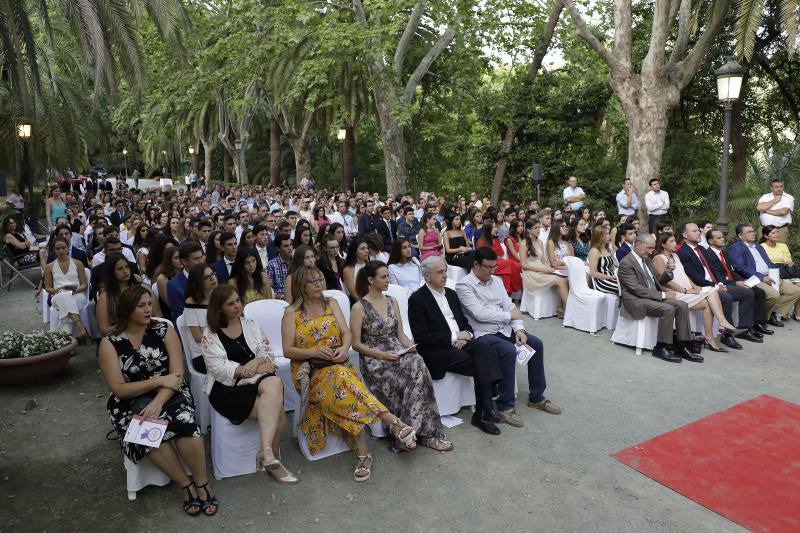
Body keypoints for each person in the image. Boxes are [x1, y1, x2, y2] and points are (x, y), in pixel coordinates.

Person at [281, 266, 417, 479]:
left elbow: (346, 333)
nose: (319, 284)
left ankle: (365, 453)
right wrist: (314, 351)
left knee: (343, 383)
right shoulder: (292, 313)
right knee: (343, 379)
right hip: (311, 371)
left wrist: (344, 350)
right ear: (301, 286)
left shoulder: (331, 303)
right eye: (313, 281)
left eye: (320, 279)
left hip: (339, 364)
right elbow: (287, 350)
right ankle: (393, 421)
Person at [98, 287, 215, 516]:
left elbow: (178, 374)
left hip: (170, 393)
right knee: (146, 433)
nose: (148, 310)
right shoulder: (109, 343)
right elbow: (119, 389)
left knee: (185, 425)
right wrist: (159, 381)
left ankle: (202, 482)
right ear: (126, 310)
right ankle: (185, 484)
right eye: (141, 306)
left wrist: (159, 401)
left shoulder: (163, 330)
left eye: (149, 304)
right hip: (130, 401)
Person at [350, 261, 452, 451]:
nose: (388, 280)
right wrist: (383, 354)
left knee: (418, 362)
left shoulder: (392, 301)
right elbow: (356, 344)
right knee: (415, 371)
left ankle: (410, 431)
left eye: (388, 275)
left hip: (396, 351)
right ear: (371, 280)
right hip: (375, 360)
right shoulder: (359, 307)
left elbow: (400, 334)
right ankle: (423, 433)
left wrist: (409, 346)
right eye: (384, 277)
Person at [201, 285, 297, 484]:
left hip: (257, 381)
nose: (237, 306)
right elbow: (218, 368)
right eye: (231, 303)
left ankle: (268, 454)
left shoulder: (251, 324)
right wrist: (248, 369)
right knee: (278, 411)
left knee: (274, 382)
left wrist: (254, 364)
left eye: (238, 300)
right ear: (219, 308)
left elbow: (267, 351)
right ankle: (272, 458)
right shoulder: (210, 335)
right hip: (227, 390)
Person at [409, 257, 512, 435]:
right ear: (426, 276)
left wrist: (466, 336)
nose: (445, 275)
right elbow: (422, 336)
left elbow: (465, 323)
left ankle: (484, 411)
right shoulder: (417, 299)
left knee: (486, 348)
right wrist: (454, 336)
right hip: (438, 350)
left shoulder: (451, 293)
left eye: (445, 271)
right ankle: (484, 412)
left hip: (462, 342)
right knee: (482, 362)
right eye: (440, 272)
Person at [457, 247, 560, 421]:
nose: (491, 271)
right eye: (488, 267)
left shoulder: (495, 281)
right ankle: (506, 405)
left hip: (505, 328)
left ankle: (537, 397)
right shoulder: (464, 285)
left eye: (494, 267)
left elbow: (510, 306)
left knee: (536, 344)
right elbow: (479, 313)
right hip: (484, 333)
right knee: (508, 350)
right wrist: (508, 316)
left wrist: (519, 328)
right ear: (476, 265)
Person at [652, 233, 742, 353]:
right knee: (711, 290)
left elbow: (684, 274)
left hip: (687, 291)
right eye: (672, 241)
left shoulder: (675, 256)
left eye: (675, 241)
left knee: (708, 301)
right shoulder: (658, 258)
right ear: (663, 244)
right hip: (675, 293)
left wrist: (694, 286)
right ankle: (721, 323)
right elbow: (665, 281)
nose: (675, 244)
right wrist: (684, 290)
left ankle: (710, 336)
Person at [677, 223, 762, 347]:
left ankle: (744, 327)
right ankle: (728, 335)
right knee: (726, 298)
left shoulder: (701, 249)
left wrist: (720, 283)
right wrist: (716, 286)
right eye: (694, 231)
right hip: (703, 287)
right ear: (685, 235)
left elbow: (714, 269)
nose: (699, 233)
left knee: (748, 293)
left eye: (698, 231)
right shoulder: (683, 252)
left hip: (716, 284)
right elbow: (695, 277)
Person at [617, 233, 695, 363]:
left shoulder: (646, 260)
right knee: (668, 309)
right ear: (637, 245)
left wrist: (668, 272)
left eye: (652, 248)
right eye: (648, 248)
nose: (651, 251)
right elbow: (636, 289)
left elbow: (658, 280)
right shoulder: (626, 263)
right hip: (635, 300)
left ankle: (683, 344)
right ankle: (661, 347)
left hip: (651, 297)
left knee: (682, 305)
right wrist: (663, 295)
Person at [703, 229, 774, 337]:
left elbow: (732, 271)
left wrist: (742, 281)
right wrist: (736, 283)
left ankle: (752, 325)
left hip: (731, 281)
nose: (723, 239)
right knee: (747, 293)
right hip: (721, 284)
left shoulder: (724, 253)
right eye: (719, 238)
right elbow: (717, 276)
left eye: (722, 236)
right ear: (710, 241)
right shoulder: (708, 255)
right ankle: (736, 331)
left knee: (758, 291)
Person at [728, 224, 800, 322]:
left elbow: (769, 263)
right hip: (754, 278)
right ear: (740, 236)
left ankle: (771, 313)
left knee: (795, 291)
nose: (753, 233)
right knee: (774, 295)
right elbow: (740, 268)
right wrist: (761, 277)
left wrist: (779, 270)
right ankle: (761, 319)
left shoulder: (758, 246)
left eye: (753, 231)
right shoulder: (736, 248)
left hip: (770, 275)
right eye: (749, 232)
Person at [96, 252, 162, 335]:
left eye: (127, 267)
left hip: (147, 330)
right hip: (121, 335)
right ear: (112, 272)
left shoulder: (143, 288)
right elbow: (104, 329)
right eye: (120, 269)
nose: (125, 271)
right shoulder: (106, 297)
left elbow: (158, 314)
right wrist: (131, 326)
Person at [519, 219, 569, 312]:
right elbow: (523, 265)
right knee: (561, 281)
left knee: (565, 278)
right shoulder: (524, 243)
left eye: (539, 227)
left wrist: (549, 268)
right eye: (536, 228)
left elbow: (544, 260)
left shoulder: (540, 242)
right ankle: (570, 310)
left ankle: (560, 307)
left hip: (542, 269)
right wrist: (542, 269)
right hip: (531, 273)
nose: (538, 230)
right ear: (529, 230)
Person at [43, 237, 88, 337]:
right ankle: (78, 323)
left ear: (68, 248)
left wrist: (76, 290)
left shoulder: (78, 263)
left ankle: (67, 339)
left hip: (77, 294)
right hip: (58, 295)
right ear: (54, 250)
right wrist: (58, 290)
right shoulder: (49, 266)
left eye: (63, 248)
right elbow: (48, 288)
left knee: (65, 299)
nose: (61, 251)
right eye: (58, 249)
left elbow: (84, 284)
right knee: (64, 296)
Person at [183, 264, 217, 373]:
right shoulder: (191, 303)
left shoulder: (219, 296)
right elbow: (198, 337)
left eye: (212, 274)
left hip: (223, 347)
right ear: (198, 282)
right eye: (207, 277)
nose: (212, 278)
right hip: (203, 355)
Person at [475, 220, 523, 295]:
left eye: (495, 227)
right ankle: (510, 291)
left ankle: (507, 292)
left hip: (498, 261)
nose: (496, 229)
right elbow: (481, 258)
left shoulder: (495, 239)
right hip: (488, 265)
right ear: (488, 230)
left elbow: (501, 253)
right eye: (493, 228)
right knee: (511, 264)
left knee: (510, 268)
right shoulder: (481, 242)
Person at [166, 242, 204, 322]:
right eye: (196, 259)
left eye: (201, 257)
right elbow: (181, 318)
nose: (201, 262)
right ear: (184, 262)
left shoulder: (210, 277)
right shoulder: (174, 286)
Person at [756, 178, 793, 243]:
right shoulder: (765, 196)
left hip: (780, 230)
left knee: (780, 250)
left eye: (781, 186)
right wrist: (775, 200)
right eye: (776, 187)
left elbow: (783, 212)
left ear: (783, 186)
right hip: (764, 229)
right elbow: (759, 208)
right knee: (762, 250)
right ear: (771, 188)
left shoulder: (788, 197)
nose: (779, 189)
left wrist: (766, 210)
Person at [587, 226, 619, 295]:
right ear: (599, 236)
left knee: (630, 286)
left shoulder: (607, 249)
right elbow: (593, 273)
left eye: (608, 234)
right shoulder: (594, 251)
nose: (609, 236)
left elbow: (612, 267)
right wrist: (611, 277)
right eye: (606, 234)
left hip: (612, 277)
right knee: (624, 288)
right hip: (602, 281)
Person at [266, 234, 293, 299]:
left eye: (290, 244)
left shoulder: (297, 261)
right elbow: (268, 290)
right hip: (280, 301)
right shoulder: (272, 265)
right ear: (278, 248)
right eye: (286, 246)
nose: (290, 248)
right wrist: (281, 297)